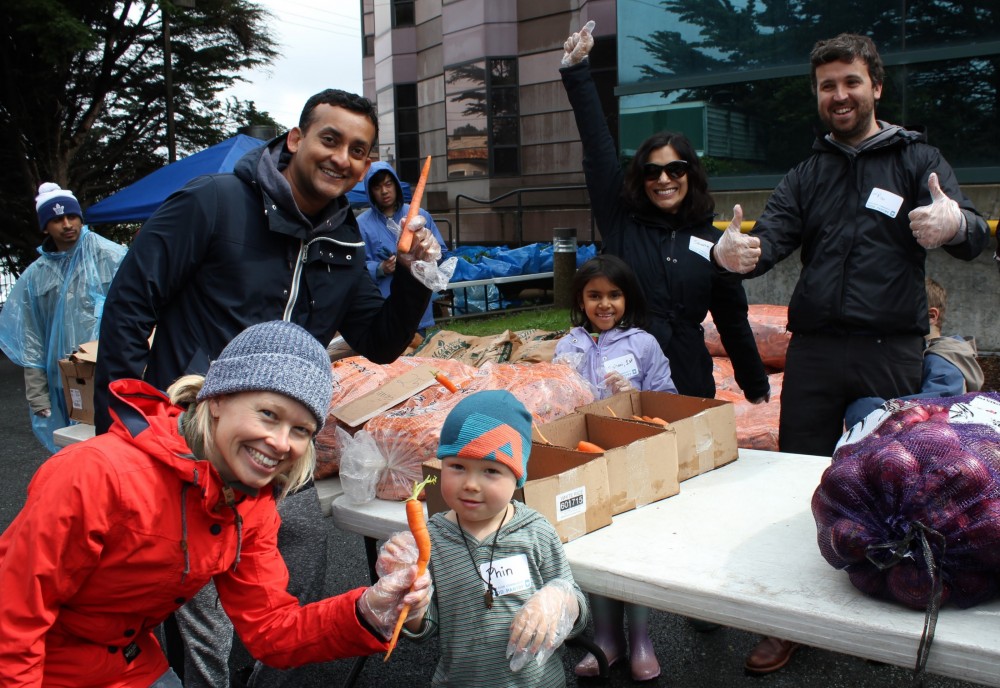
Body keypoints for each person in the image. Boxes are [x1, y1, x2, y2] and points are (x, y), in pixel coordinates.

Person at [93, 88, 442, 687]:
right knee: (199, 610)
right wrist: (123, 426)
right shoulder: (217, 202)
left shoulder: (343, 243)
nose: (343, 158)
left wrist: (413, 278)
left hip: (282, 453)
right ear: (295, 140)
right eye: (330, 139)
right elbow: (131, 304)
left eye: (359, 150)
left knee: (295, 577)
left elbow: (380, 342)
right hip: (191, 444)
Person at [708, 33, 991, 674]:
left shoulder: (918, 158)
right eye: (827, 85)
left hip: (889, 355)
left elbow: (971, 233)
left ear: (876, 86)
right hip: (813, 357)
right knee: (792, 487)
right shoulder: (808, 172)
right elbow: (767, 241)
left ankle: (886, 610)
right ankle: (786, 618)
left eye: (850, 82)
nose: (839, 95)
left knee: (895, 488)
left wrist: (956, 225)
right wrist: (734, 256)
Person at [0, 320, 431, 686]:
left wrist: (369, 608)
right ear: (219, 399)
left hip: (130, 662)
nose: (281, 443)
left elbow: (270, 630)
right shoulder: (95, 474)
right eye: (268, 414)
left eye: (301, 430)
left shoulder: (249, 502)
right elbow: (12, 621)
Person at [559, 22, 770, 406]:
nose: (664, 179)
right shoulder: (622, 221)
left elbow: (731, 318)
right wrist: (577, 74)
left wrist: (755, 385)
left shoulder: (711, 241)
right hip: (625, 381)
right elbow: (598, 151)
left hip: (688, 380)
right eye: (652, 171)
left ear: (690, 174)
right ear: (641, 178)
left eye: (675, 169)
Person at [383, 389, 590, 686]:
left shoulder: (536, 531)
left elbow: (577, 615)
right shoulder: (432, 542)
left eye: (490, 471)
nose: (470, 484)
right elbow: (426, 629)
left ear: (517, 478)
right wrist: (413, 608)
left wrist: (561, 600)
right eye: (457, 467)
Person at [551, 254, 673, 680]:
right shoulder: (567, 346)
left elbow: (667, 398)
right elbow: (555, 402)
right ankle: (606, 638)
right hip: (585, 461)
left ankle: (640, 638)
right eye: (594, 296)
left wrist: (633, 393)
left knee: (634, 549)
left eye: (614, 295)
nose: (605, 304)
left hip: (634, 460)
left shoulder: (643, 343)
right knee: (595, 548)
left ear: (628, 298)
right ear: (580, 301)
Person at [0, 183, 126, 452]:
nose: (67, 224)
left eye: (72, 216)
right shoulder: (36, 276)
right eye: (57, 219)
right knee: (74, 452)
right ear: (45, 226)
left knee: (116, 448)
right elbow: (31, 340)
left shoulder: (110, 257)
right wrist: (38, 397)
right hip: (66, 383)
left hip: (109, 374)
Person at [844, 277, 984, 428]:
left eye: (901, 310)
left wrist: (867, 408)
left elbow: (936, 404)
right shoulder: (929, 353)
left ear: (931, 316)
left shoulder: (943, 357)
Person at [358, 161, 450, 334]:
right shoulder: (361, 225)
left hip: (416, 304)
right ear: (370, 192)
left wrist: (424, 258)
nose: (384, 191)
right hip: (383, 307)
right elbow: (355, 268)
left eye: (388, 184)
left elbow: (441, 253)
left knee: (419, 355)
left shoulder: (420, 215)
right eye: (377, 187)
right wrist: (380, 268)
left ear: (396, 185)